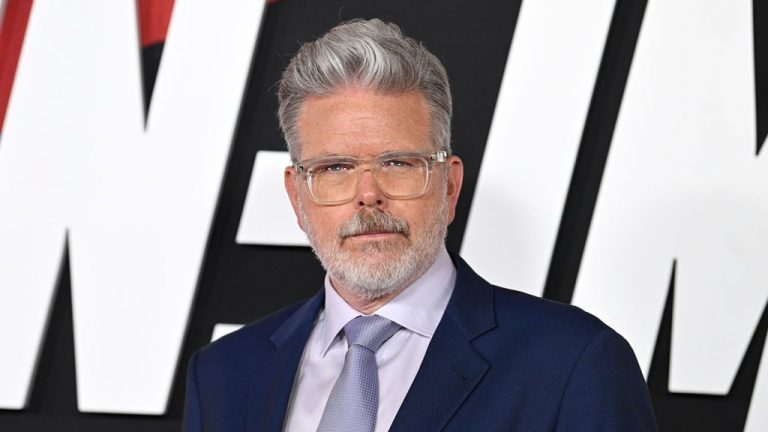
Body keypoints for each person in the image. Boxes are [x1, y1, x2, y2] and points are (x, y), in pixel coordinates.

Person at [182, 19, 657, 432]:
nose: (369, 193)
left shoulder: (573, 362)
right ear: (297, 196)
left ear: (450, 186)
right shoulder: (223, 375)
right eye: (335, 168)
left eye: (398, 163)